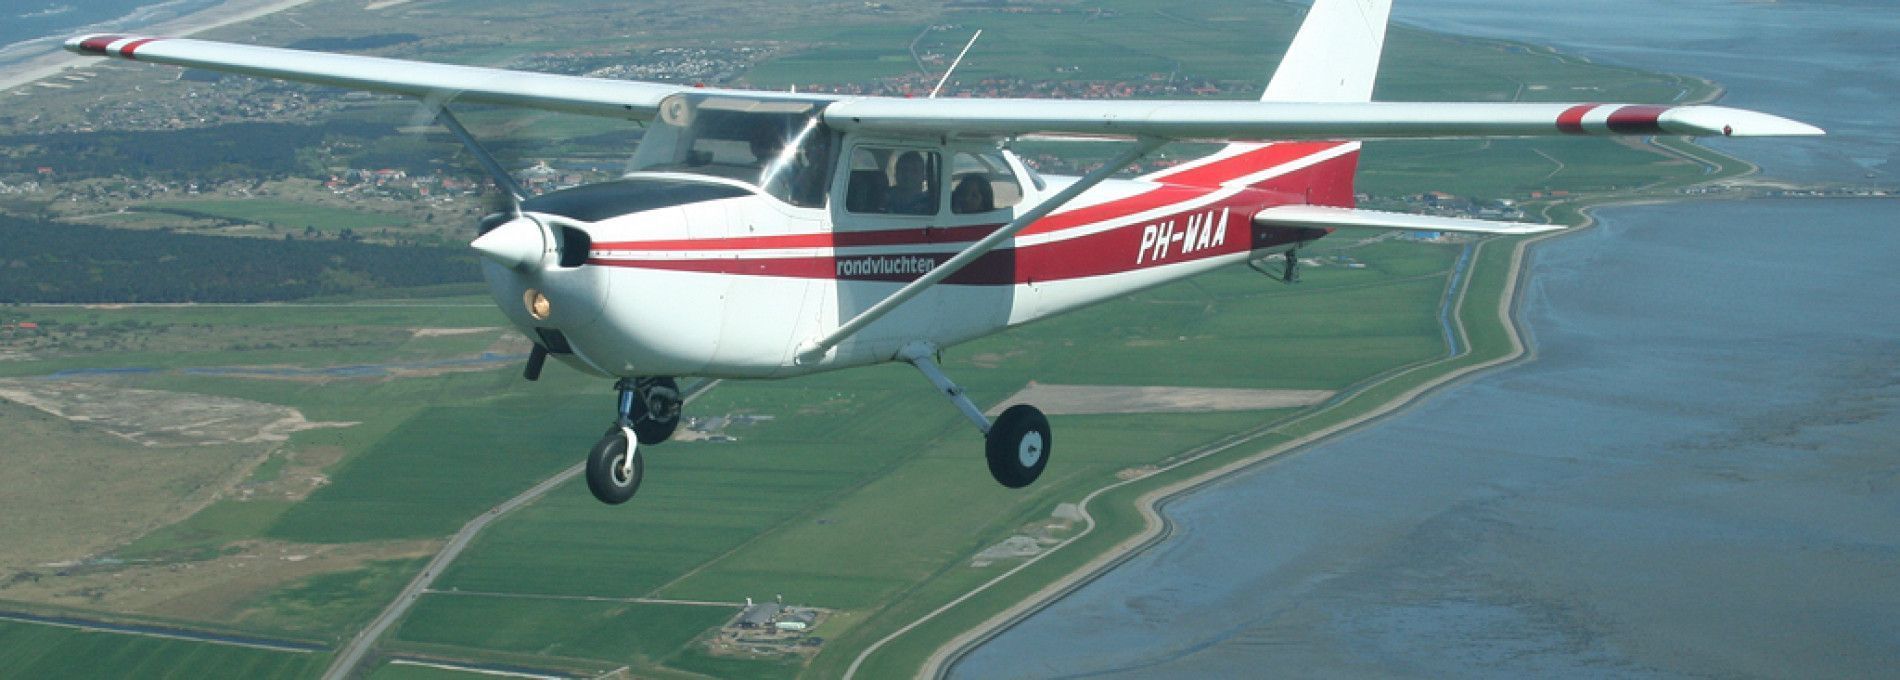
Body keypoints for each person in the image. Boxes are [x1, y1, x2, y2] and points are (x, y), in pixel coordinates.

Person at [885, 151, 935, 215]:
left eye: (914, 170)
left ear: (924, 175)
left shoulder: (932, 203)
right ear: (896, 173)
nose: (908, 175)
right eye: (903, 169)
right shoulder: (883, 199)